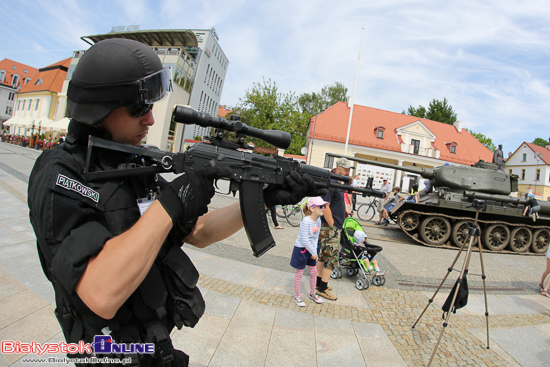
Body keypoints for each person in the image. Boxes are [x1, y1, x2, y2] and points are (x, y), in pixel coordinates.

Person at [27, 38, 320, 367]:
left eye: (152, 107)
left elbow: (197, 232)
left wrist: (264, 199)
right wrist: (171, 202)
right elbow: (100, 294)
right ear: (99, 108)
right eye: (139, 108)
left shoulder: (130, 166)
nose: (151, 120)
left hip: (153, 347)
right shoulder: (61, 172)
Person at [315, 157, 353, 301]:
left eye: (349, 170)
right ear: (338, 169)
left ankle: (319, 284)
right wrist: (333, 226)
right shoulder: (332, 183)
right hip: (331, 227)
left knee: (324, 256)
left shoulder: (337, 183)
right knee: (330, 258)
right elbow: (325, 205)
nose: (347, 172)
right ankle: (323, 288)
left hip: (331, 226)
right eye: (345, 169)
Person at [290, 197, 327, 306]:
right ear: (312, 208)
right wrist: (313, 252)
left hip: (312, 250)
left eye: (324, 206)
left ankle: (312, 293)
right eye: (321, 206)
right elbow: (305, 239)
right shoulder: (306, 221)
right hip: (301, 249)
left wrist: (315, 251)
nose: (323, 208)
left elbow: (316, 237)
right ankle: (297, 296)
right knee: (299, 273)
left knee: (313, 272)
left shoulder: (318, 220)